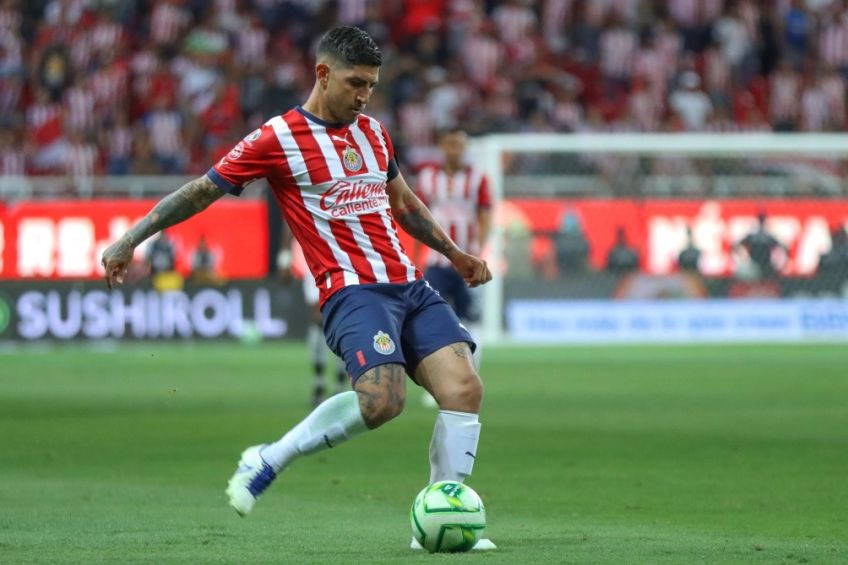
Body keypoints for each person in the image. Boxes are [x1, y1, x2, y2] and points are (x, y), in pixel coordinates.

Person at [100, 27, 495, 551]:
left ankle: (441, 515)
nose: (363, 95)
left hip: (409, 285)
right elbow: (202, 190)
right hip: (352, 292)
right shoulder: (277, 138)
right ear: (322, 73)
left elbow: (405, 206)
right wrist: (132, 238)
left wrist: (455, 253)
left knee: (465, 389)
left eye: (372, 86)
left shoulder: (373, 133)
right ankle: (268, 458)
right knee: (383, 401)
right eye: (355, 83)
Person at [413, 127, 491, 368]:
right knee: (431, 316)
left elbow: (484, 215)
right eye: (450, 144)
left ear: (466, 147)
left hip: (467, 260)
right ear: (441, 146)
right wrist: (417, 256)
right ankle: (438, 376)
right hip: (437, 261)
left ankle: (472, 371)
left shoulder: (477, 178)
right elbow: (417, 218)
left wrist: (478, 250)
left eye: (459, 144)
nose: (454, 150)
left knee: (470, 317)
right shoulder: (428, 177)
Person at [736, 211, 785, 279]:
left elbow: (738, 244)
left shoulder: (754, 235)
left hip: (758, 264)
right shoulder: (766, 235)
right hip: (760, 264)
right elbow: (780, 246)